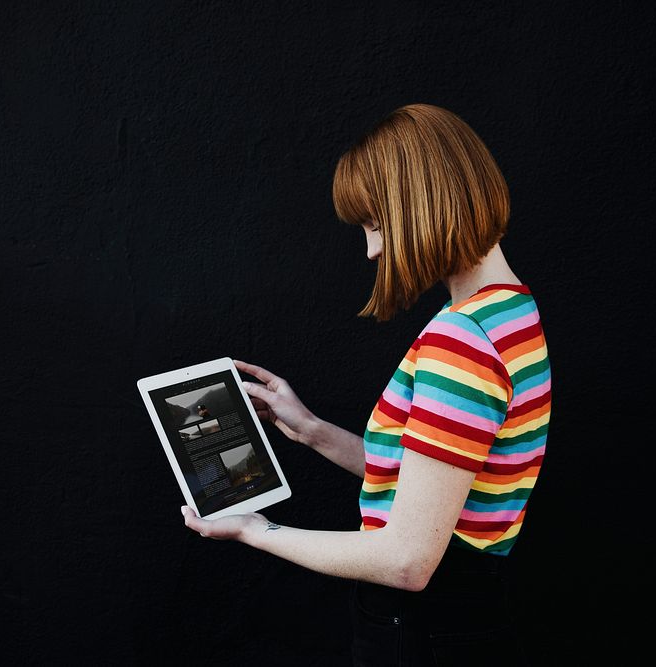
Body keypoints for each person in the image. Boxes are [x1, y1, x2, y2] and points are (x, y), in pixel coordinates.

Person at [181, 103, 552, 666]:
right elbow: (437, 487)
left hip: (424, 631)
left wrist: (257, 530)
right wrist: (311, 432)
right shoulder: (512, 315)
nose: (373, 249)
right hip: (463, 617)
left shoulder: (463, 339)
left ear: (420, 206)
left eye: (375, 225)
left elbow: (407, 558)